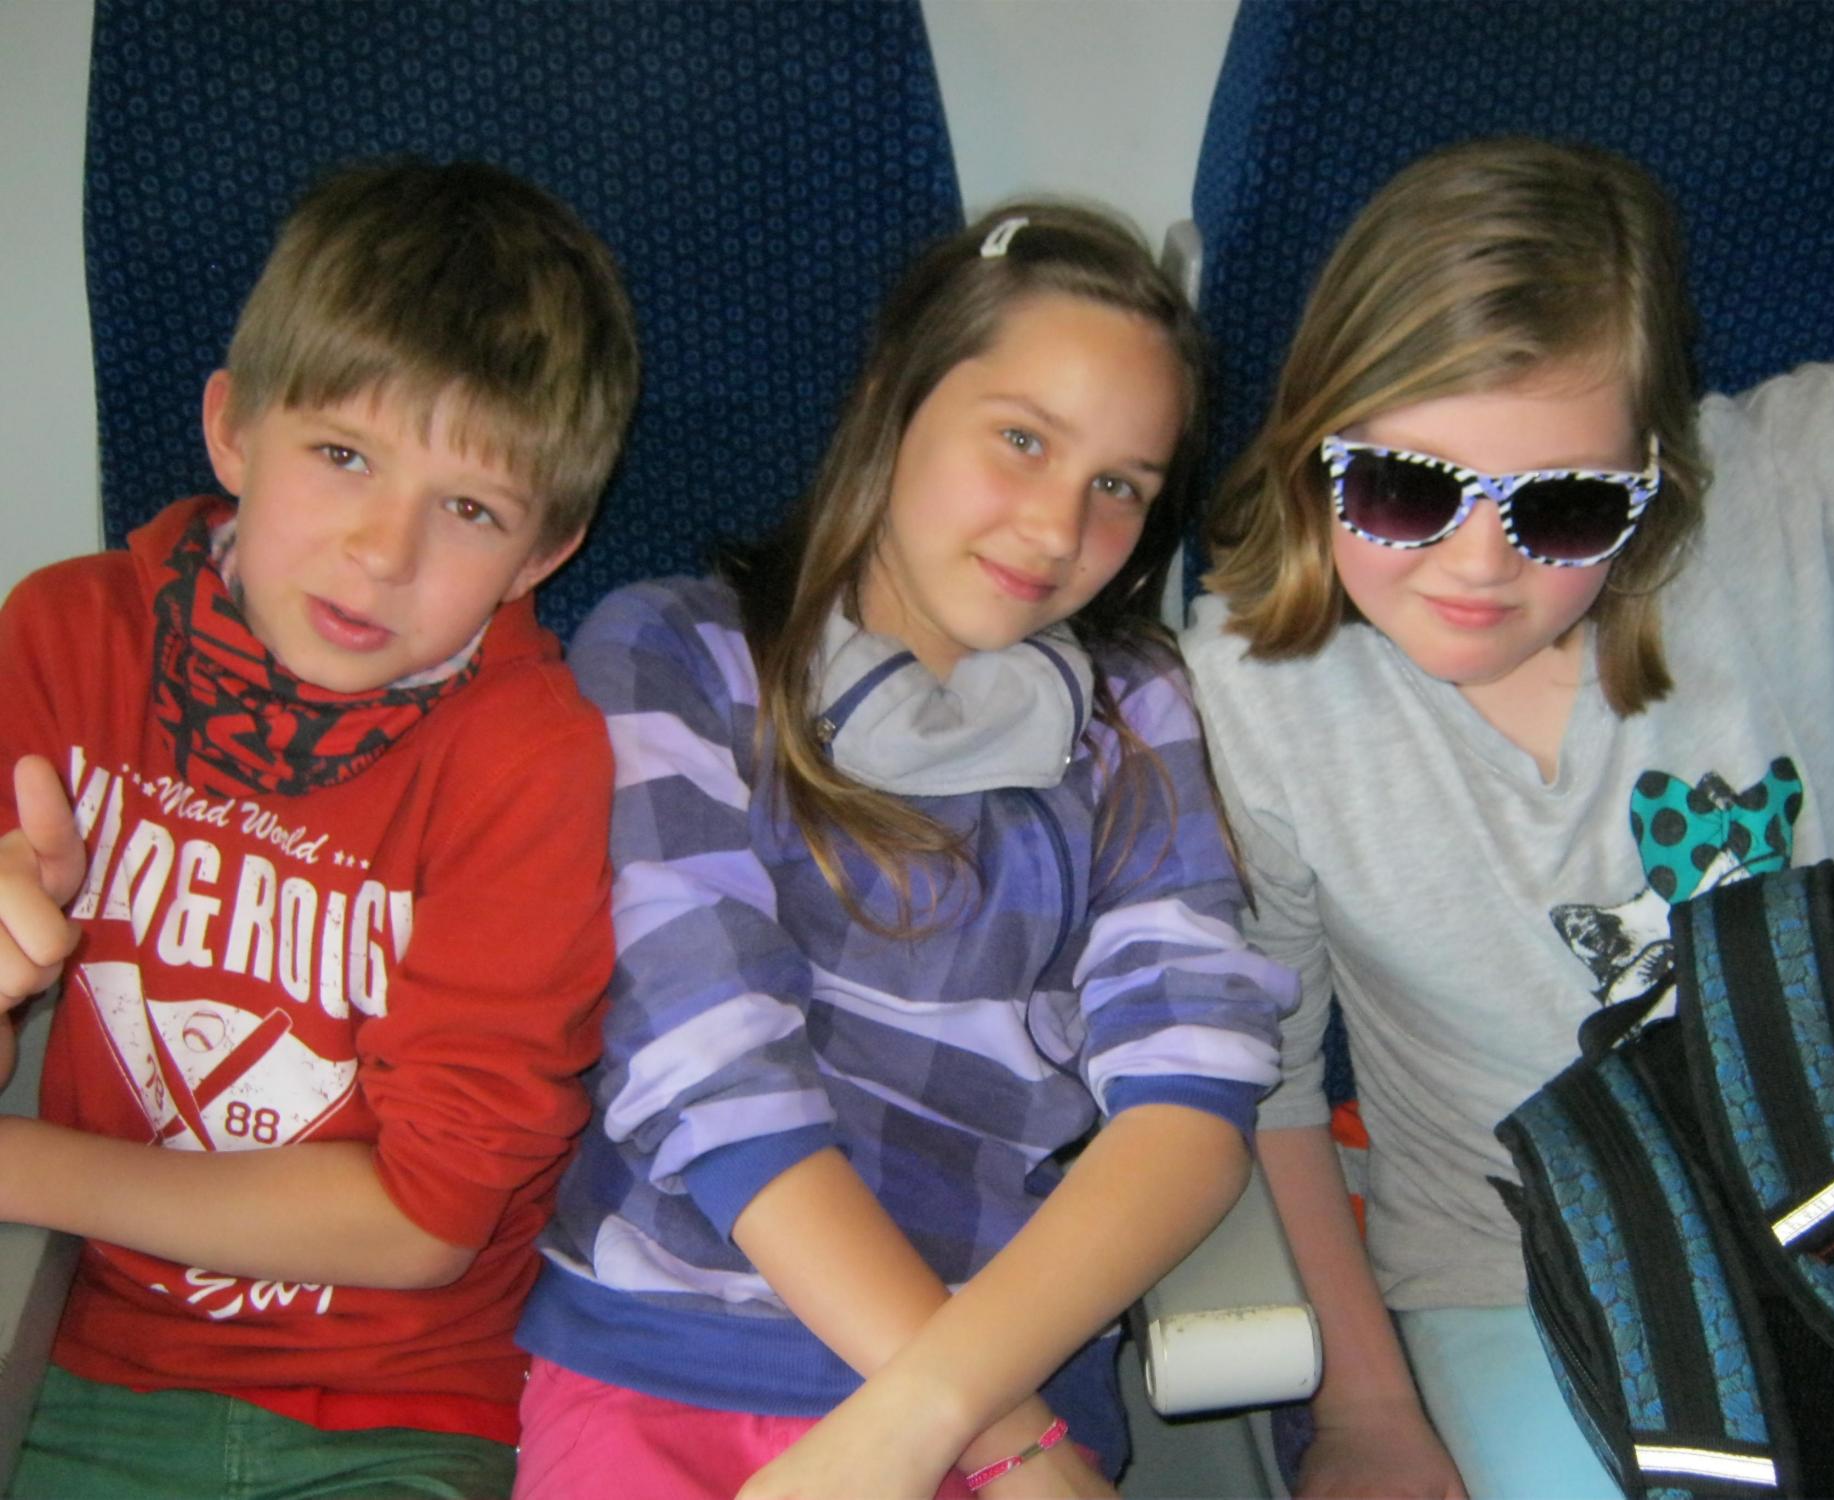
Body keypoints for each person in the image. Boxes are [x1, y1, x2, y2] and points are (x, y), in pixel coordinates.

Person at [1181, 136, 1834, 1499]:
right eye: (1404, 487)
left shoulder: (1775, 495)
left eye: (1563, 507)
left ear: (1656, 474)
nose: (1476, 565)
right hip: (1526, 1269)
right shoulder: (1250, 697)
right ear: (1316, 444)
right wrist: (1367, 1407)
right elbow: (1270, 1081)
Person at [511, 201, 1292, 1500]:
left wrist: (941, 1420)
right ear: (894, 401)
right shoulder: (675, 654)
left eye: (1118, 487)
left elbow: (1191, 1097)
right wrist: (994, 1439)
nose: (1058, 529)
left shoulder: (1130, 706)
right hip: (674, 1356)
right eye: (1022, 440)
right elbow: (712, 1078)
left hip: (1009, 1354)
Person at [0, 157, 641, 1498]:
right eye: (343, 455)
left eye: (469, 509)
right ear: (234, 431)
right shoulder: (66, 640)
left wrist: (14, 1168)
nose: (382, 552)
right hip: (66, 1358)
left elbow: (418, 1223)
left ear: (540, 557)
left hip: (396, 1408)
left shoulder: (529, 762)